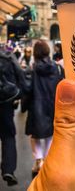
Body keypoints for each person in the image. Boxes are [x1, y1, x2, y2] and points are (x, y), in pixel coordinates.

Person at [22, 40, 64, 178]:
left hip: (36, 107)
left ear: (35, 53)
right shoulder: (57, 68)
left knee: (35, 136)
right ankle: (45, 160)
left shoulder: (33, 69)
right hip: (52, 106)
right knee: (49, 135)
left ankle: (38, 159)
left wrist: (24, 105)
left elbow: (27, 89)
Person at [0, 47, 26, 186]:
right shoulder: (8, 57)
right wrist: (19, 95)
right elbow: (20, 76)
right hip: (5, 104)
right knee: (8, 136)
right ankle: (8, 170)